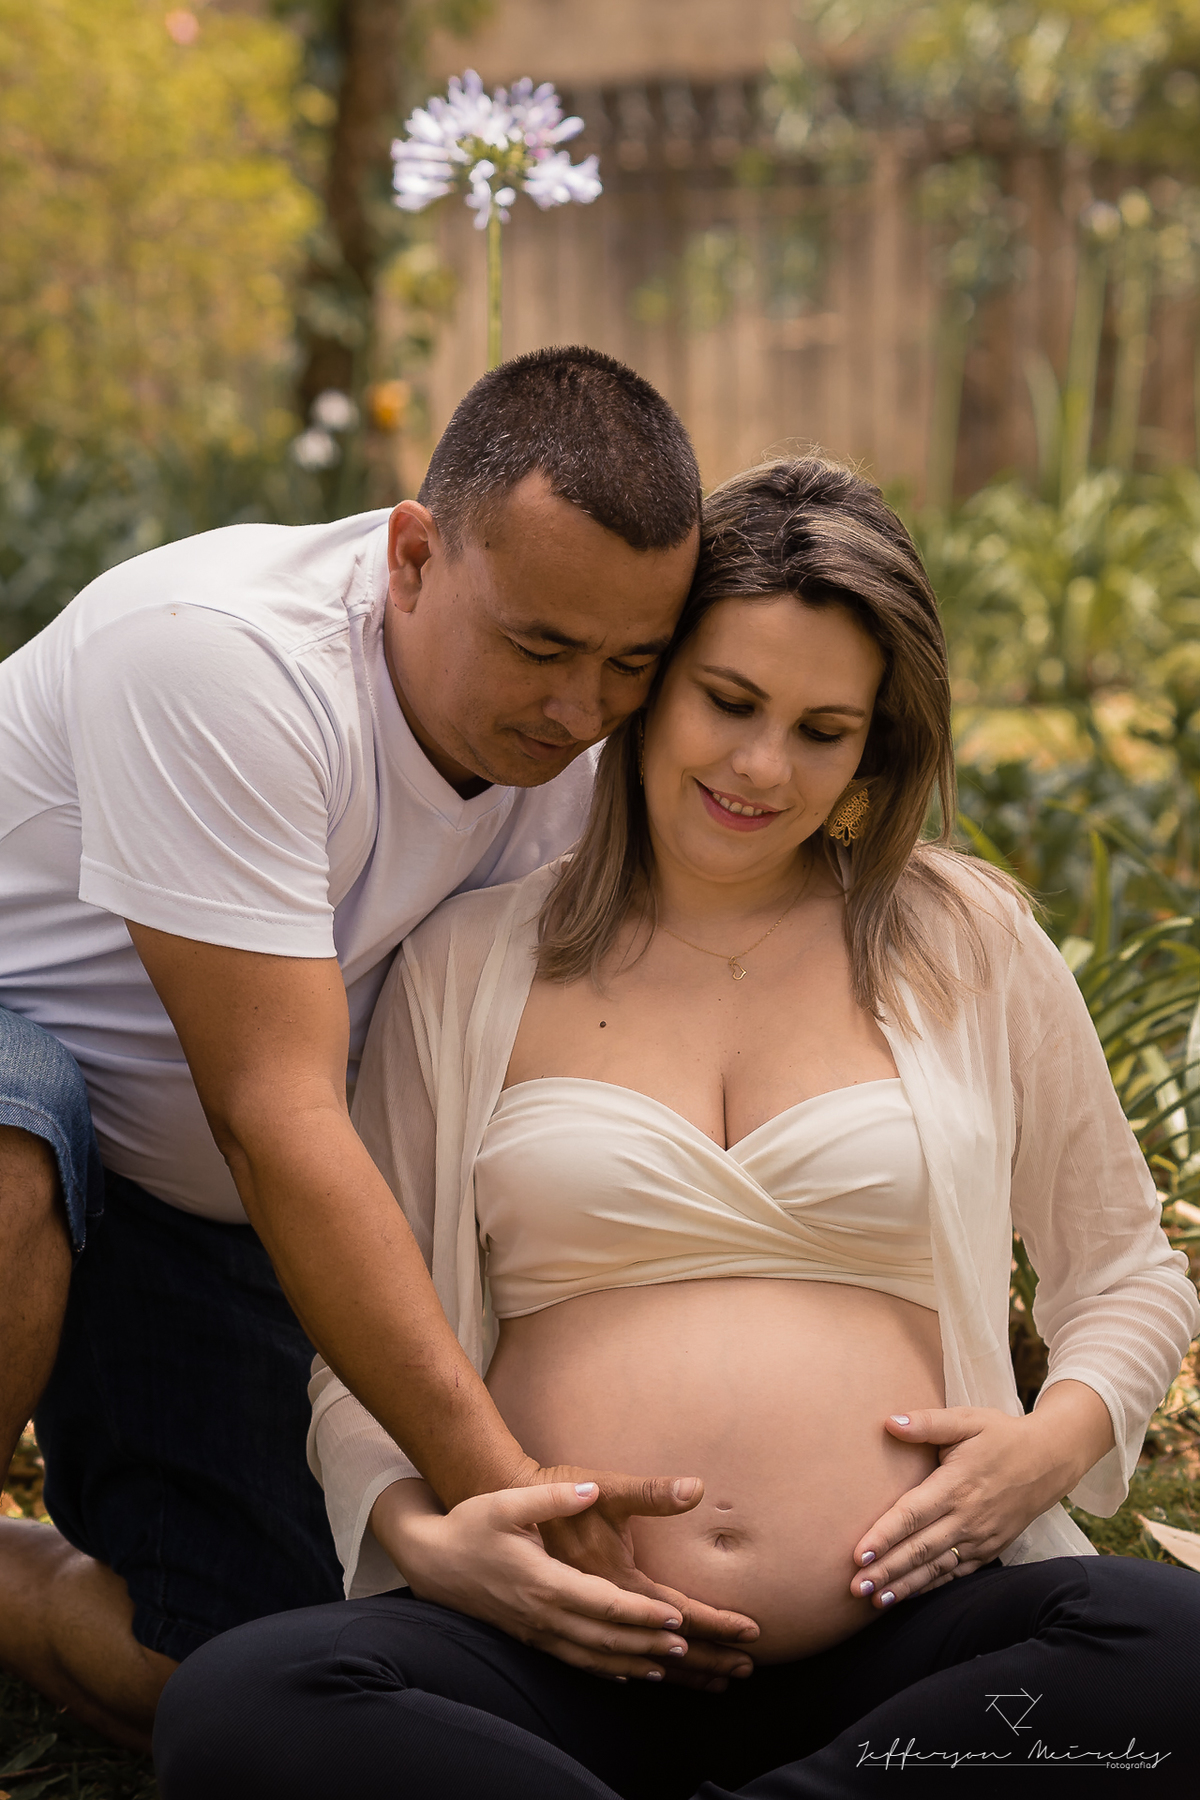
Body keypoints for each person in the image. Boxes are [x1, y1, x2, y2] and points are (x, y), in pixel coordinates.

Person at [153, 456, 1200, 1798]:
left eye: (825, 730)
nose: (763, 767)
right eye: (730, 700)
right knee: (243, 1705)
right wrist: (428, 1531)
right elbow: (369, 1344)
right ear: (651, 686)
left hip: (908, 1653)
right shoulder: (476, 960)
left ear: (875, 744)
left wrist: (1044, 1448)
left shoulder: (965, 941)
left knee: (1171, 1646)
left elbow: (1125, 1274)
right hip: (557, 1662)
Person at [0, 346, 723, 1749]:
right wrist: (504, 1497)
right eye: (540, 649)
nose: (583, 711)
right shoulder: (220, 660)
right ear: (410, 556)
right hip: (56, 1082)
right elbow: (274, 1119)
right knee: (17, 1142)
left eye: (629, 664)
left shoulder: (599, 750)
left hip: (197, 1204)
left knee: (244, 1675)